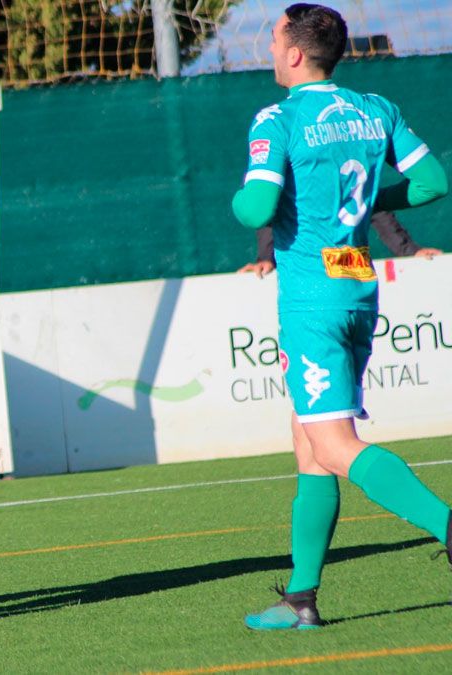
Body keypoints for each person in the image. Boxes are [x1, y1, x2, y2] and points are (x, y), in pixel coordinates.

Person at [230, 3, 449, 630]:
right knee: (309, 446)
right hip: (357, 285)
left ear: (295, 53)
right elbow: (433, 182)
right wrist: (367, 201)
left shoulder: (278, 117)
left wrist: (244, 195)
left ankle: (447, 526)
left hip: (311, 301)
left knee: (332, 442)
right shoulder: (375, 108)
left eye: (273, 39)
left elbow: (256, 208)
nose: (270, 49)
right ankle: (301, 599)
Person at [238, 210, 442, 277]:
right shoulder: (284, 138)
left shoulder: (350, 146)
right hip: (303, 276)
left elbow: (372, 203)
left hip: (351, 276)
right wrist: (265, 258)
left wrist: (411, 251)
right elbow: (266, 205)